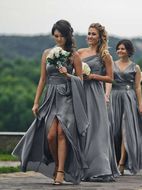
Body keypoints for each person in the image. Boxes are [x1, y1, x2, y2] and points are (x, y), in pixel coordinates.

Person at [12, 19, 89, 185]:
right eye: (56, 36)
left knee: (62, 133)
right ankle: (56, 164)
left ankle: (60, 171)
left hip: (67, 97)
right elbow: (42, 79)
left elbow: (80, 81)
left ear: (68, 36)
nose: (58, 39)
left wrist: (67, 75)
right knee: (51, 135)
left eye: (61, 36)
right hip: (50, 96)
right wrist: (35, 102)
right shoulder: (47, 53)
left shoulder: (74, 55)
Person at [77, 23, 119, 182]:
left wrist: (94, 76)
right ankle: (82, 167)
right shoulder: (79, 53)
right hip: (80, 93)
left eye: (93, 34)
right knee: (83, 129)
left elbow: (111, 78)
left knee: (96, 130)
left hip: (95, 93)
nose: (89, 36)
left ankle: (99, 169)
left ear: (100, 37)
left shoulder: (105, 55)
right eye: (88, 33)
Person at [105, 39, 142, 175]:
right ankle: (113, 161)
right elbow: (108, 81)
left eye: (123, 49)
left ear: (129, 51)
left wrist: (140, 105)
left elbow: (137, 87)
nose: (120, 51)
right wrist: (106, 95)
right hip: (115, 97)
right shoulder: (112, 65)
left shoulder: (135, 67)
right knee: (115, 132)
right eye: (118, 48)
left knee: (126, 131)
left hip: (129, 98)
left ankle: (121, 163)